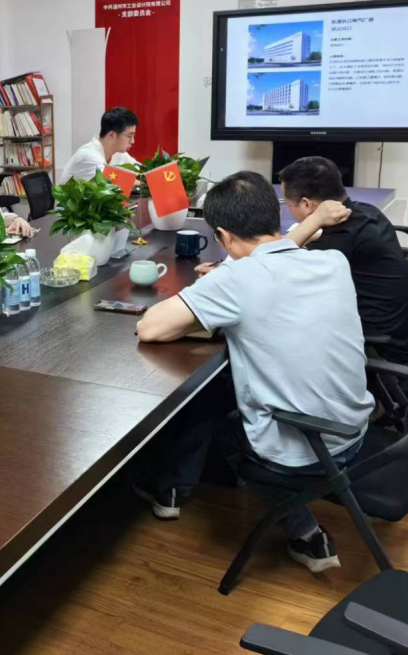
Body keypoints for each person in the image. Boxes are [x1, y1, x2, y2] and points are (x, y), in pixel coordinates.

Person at [136, 171, 373, 574]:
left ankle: (299, 528)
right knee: (223, 387)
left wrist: (216, 292)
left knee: (212, 406)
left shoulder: (236, 279)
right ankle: (179, 492)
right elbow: (277, 270)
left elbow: (150, 328)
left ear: (224, 237)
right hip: (354, 430)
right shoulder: (333, 262)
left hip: (307, 452)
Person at [279, 156, 408, 361]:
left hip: (376, 348)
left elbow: (272, 261)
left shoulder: (338, 242)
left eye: (288, 205)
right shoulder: (366, 212)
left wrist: (311, 223)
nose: (288, 210)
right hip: (397, 334)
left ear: (307, 204)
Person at [63, 107, 139, 182]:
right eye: (129, 136)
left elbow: (140, 170)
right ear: (112, 135)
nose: (133, 141)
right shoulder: (90, 155)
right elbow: (110, 183)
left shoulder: (118, 153)